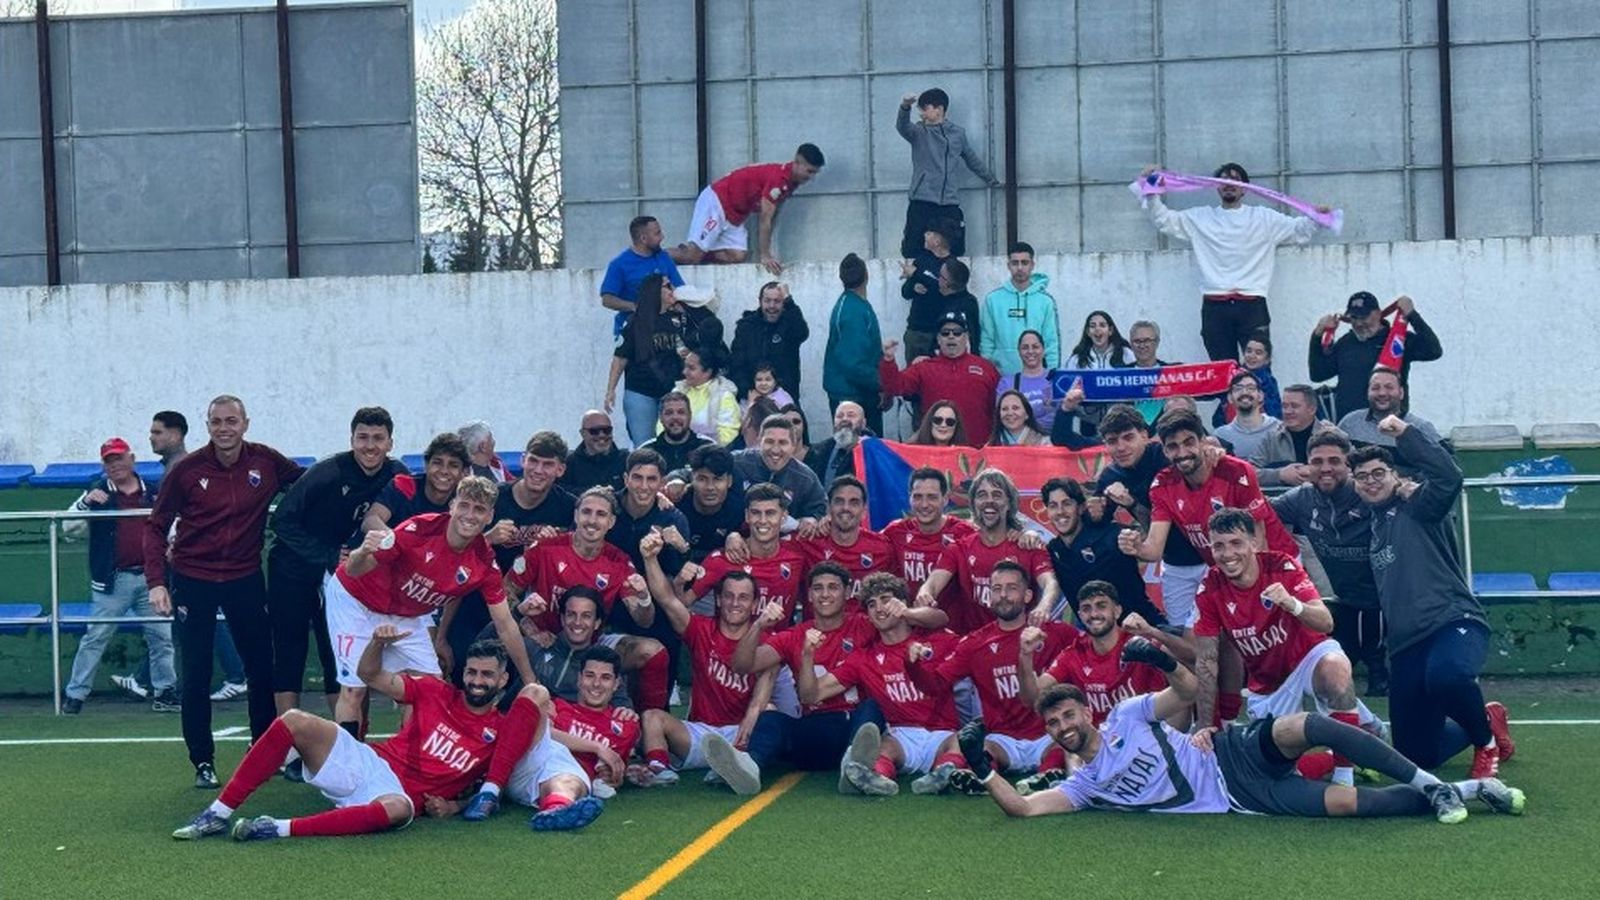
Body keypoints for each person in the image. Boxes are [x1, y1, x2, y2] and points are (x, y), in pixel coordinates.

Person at [170, 632, 571, 841]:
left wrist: (456, 805)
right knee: (293, 720)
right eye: (472, 672)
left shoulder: (502, 733)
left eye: (486, 675)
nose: (477, 680)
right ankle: (216, 814)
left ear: (502, 680)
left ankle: (276, 827)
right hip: (369, 763)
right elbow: (370, 676)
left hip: (395, 795)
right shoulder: (434, 690)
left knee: (397, 810)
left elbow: (488, 781)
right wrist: (377, 644)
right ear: (462, 672)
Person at [964, 679, 1521, 823]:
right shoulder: (1084, 785)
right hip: (1242, 797)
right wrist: (981, 768)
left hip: (1229, 751)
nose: (1063, 727)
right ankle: (1473, 788)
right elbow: (1024, 808)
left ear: (1086, 712)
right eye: (1053, 723)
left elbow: (1185, 690)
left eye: (1068, 715)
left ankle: (1430, 784)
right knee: (1352, 806)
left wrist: (1161, 660)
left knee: (1309, 726)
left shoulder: (1128, 715)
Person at [143, 395, 303, 788]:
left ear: (245, 423)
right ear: (208, 426)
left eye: (232, 421)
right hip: (192, 580)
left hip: (244, 578)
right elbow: (155, 526)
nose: (224, 428)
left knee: (261, 667)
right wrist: (157, 582)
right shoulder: (187, 470)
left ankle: (262, 751)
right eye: (217, 422)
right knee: (196, 673)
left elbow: (308, 487)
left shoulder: (266, 461)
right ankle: (203, 761)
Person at [1352, 417, 1515, 778]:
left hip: (1451, 621)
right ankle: (1486, 718)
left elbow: (1448, 477)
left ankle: (1485, 742)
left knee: (1448, 677)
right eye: (1362, 477)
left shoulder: (1419, 505)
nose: (1371, 481)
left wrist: (1406, 433)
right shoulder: (1372, 525)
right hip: (1405, 644)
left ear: (1396, 476)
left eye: (1379, 473)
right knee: (1417, 753)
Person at [326, 476, 537, 739]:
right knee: (354, 689)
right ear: (452, 505)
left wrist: (530, 681)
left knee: (431, 690)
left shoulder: (484, 562)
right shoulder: (419, 529)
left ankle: (407, 756)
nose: (470, 515)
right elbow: (355, 570)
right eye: (464, 505)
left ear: (490, 516)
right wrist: (361, 552)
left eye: (479, 509)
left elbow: (505, 624)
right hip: (356, 599)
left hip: (406, 613)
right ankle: (346, 761)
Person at [1194, 508, 1380, 786]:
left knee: (1334, 670)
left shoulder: (1281, 565)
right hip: (1268, 683)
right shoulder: (1210, 587)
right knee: (1271, 771)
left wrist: (1292, 604)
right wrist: (1205, 724)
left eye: (1236, 543)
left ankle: (1344, 778)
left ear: (1253, 543)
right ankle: (1362, 732)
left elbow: (1326, 622)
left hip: (1307, 656)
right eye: (1218, 545)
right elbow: (1206, 660)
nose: (1227, 553)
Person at [267, 407, 406, 725]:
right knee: (290, 651)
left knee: (341, 653)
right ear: (352, 439)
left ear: (390, 443)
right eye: (363, 437)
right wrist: (326, 554)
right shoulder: (327, 472)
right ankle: (289, 742)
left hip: (348, 575)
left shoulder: (397, 475)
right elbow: (282, 519)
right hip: (294, 569)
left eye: (378, 438)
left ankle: (350, 739)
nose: (370, 446)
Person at [1116, 409, 1298, 629]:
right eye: (1173, 446)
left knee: (1288, 635)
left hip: (1276, 561)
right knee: (1208, 637)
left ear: (1203, 441)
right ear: (1165, 451)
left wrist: (1256, 593)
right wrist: (1136, 547)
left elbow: (1259, 543)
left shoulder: (1235, 470)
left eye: (1189, 442)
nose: (1182, 452)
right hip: (1230, 567)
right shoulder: (1162, 485)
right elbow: (1154, 550)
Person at [907, 561, 1078, 794]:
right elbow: (935, 685)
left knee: (1063, 744)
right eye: (996, 589)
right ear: (989, 596)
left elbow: (1090, 654)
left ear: (1028, 595)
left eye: (1011, 588)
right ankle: (979, 779)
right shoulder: (974, 644)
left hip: (1047, 733)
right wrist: (913, 666)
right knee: (983, 751)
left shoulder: (1058, 634)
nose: (1003, 595)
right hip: (1002, 739)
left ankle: (1047, 774)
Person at [1138, 161, 1335, 361]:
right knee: (1222, 368)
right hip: (1215, 305)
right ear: (1216, 187)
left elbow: (1298, 230)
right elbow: (1164, 220)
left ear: (1245, 188)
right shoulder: (1201, 218)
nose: (1229, 184)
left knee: (1259, 366)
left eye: (1235, 180)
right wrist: (1151, 189)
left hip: (1252, 304)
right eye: (1223, 180)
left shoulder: (1264, 218)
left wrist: (1317, 217)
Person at [113, 412, 246, 704]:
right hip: (190, 553)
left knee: (200, 613)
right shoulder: (180, 467)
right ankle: (143, 679)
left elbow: (186, 513)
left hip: (188, 556)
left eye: (157, 432)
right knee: (178, 615)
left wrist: (174, 543)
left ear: (175, 435)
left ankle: (237, 676)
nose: (152, 437)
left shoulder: (181, 468)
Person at [498, 487, 668, 712]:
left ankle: (647, 722)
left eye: (601, 514)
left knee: (653, 651)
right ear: (576, 515)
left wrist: (645, 598)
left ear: (611, 522)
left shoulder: (618, 561)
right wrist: (529, 627)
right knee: (494, 632)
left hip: (591, 645)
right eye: (587, 512)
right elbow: (504, 592)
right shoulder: (546, 547)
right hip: (543, 639)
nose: (592, 520)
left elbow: (644, 620)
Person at [1012, 580, 1178, 794]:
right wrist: (1025, 655)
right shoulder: (1073, 654)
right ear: (1080, 615)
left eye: (1101, 606)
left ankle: (1170, 770)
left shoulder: (1138, 642)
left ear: (1117, 610)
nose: (1094, 614)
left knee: (1179, 703)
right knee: (1071, 734)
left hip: (1148, 736)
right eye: (1086, 609)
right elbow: (1032, 698)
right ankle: (1079, 788)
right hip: (1101, 744)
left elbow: (1191, 663)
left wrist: (1152, 632)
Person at [635, 550, 776, 795]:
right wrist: (650, 558)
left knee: (770, 713)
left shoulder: (768, 642)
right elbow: (667, 599)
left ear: (755, 604)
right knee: (651, 717)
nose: (735, 603)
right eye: (728, 596)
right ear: (718, 600)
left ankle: (738, 765)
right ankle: (659, 769)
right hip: (700, 733)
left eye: (743, 598)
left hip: (740, 732)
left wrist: (743, 738)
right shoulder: (701, 629)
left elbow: (759, 703)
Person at [732, 562, 888, 781]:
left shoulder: (865, 625)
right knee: (770, 719)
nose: (825, 594)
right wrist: (758, 625)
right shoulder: (794, 636)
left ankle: (855, 764)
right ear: (809, 595)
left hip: (852, 724)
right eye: (818, 588)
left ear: (847, 593)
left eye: (833, 587)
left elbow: (904, 629)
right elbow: (742, 666)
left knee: (873, 707)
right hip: (814, 728)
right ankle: (747, 768)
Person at [61, 437, 176, 714]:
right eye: (109, 461)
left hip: (152, 579)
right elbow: (67, 528)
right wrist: (86, 503)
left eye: (119, 458)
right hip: (113, 581)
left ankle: (165, 693)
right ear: (104, 466)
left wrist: (174, 544)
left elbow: (174, 525)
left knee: (162, 638)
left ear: (131, 459)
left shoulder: (155, 492)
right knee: (95, 638)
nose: (115, 465)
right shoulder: (96, 493)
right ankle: (75, 696)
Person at [1272, 430, 1387, 696]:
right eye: (1317, 461)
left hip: (1386, 596)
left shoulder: (1367, 491)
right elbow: (1258, 510)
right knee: (1338, 660)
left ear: (1348, 464)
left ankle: (1380, 670)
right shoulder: (1301, 498)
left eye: (1334, 461)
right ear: (1307, 464)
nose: (1325, 469)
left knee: (1371, 632)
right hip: (1343, 595)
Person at [1092, 405, 1209, 628]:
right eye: (1112, 441)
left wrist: (1215, 451)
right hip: (1175, 564)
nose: (1121, 447)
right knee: (1181, 633)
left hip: (1212, 558)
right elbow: (1096, 523)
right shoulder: (1110, 476)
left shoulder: (1167, 456)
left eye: (1128, 437)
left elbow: (1209, 457)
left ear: (1145, 435)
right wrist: (1094, 511)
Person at [915, 469, 1059, 634]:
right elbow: (933, 583)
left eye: (997, 495)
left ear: (1009, 503)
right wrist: (925, 593)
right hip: (975, 642)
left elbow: (1050, 583)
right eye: (982, 495)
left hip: (1020, 639)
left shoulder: (1027, 545)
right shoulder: (959, 548)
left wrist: (1044, 606)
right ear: (974, 503)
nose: (989, 501)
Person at [607, 274, 725, 447]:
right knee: (644, 444)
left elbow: (709, 305)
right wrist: (610, 390)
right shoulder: (635, 322)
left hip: (673, 388)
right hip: (641, 390)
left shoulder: (680, 318)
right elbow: (620, 358)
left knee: (676, 439)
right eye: (668, 286)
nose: (672, 290)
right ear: (655, 291)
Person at [671, 143, 826, 274]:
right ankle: (659, 256)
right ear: (797, 162)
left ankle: (696, 253)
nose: (811, 177)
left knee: (737, 255)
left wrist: (769, 251)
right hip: (718, 201)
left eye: (815, 173)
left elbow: (774, 215)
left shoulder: (791, 182)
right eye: (809, 171)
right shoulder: (778, 179)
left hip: (736, 214)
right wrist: (765, 255)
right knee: (691, 257)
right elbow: (765, 219)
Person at [1040, 478, 1165, 628]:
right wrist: (1027, 535)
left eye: (1067, 504)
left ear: (1081, 508)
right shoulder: (1053, 550)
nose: (1060, 511)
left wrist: (1131, 504)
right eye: (1053, 506)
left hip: (1145, 628)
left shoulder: (1112, 534)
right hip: (1099, 636)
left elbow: (1158, 538)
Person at [896, 88, 998, 257]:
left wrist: (990, 179)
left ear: (939, 109)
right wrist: (905, 106)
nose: (921, 113)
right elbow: (902, 127)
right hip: (922, 200)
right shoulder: (919, 132)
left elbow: (970, 158)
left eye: (925, 108)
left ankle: (950, 273)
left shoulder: (957, 134)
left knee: (954, 248)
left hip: (949, 201)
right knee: (912, 248)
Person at [1311, 292, 1443, 420]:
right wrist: (1317, 335)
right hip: (1349, 424)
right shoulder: (1346, 342)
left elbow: (1433, 351)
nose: (1359, 323)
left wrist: (1412, 315)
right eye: (1354, 318)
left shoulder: (1398, 339)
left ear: (1378, 314)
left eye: (1364, 317)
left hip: (1389, 423)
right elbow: (1318, 374)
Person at [880, 310, 1001, 441]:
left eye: (957, 332)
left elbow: (999, 407)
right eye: (945, 333)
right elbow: (896, 386)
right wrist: (888, 361)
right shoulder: (924, 368)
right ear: (938, 338)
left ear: (966, 337)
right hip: (937, 448)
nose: (951, 336)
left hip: (978, 447)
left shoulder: (986, 368)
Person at [790, 476, 898, 609]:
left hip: (865, 622)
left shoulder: (882, 548)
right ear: (828, 508)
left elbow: (894, 595)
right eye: (839, 501)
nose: (846, 508)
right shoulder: (807, 542)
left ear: (864, 511)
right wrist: (803, 523)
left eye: (854, 502)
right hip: (818, 623)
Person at [550, 645, 642, 797]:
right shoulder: (557, 707)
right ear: (579, 679)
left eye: (605, 677)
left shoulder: (625, 723)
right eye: (590, 675)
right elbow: (543, 735)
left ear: (616, 684)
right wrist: (597, 748)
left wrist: (617, 775)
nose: (596, 684)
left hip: (574, 784)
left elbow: (609, 773)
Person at [881, 467, 977, 601]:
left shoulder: (965, 533)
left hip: (952, 615)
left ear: (945, 499)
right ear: (910, 498)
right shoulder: (895, 532)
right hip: (906, 613)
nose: (924, 504)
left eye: (932, 497)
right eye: (917, 497)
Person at [723, 415, 828, 524]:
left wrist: (812, 519)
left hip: (783, 534)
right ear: (759, 441)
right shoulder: (736, 463)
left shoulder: (806, 479)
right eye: (769, 441)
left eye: (782, 443)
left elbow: (821, 510)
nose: (775, 450)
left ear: (794, 446)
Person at [823, 253, 885, 436]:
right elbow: (854, 363)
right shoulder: (853, 311)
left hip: (855, 391)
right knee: (861, 449)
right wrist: (881, 384)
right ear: (867, 275)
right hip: (854, 395)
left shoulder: (852, 305)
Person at [362, 433, 468, 533]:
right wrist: (395, 540)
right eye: (437, 463)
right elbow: (370, 520)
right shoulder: (404, 486)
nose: (444, 471)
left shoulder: (465, 499)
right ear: (426, 465)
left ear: (464, 472)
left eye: (453, 465)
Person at [979, 242, 1059, 375]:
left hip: (1037, 377)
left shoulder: (1046, 302)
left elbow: (1051, 342)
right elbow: (987, 341)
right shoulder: (992, 300)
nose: (1020, 268)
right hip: (1001, 376)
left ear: (1032, 265)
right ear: (1008, 265)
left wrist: (1052, 373)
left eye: (1024, 263)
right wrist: (987, 372)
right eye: (1015, 263)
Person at [600, 214, 684, 339]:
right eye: (657, 233)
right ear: (643, 239)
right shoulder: (619, 264)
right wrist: (635, 307)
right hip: (632, 329)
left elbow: (680, 289)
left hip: (665, 327)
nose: (662, 237)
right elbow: (607, 299)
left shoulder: (664, 258)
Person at [1337, 368, 1445, 462]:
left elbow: (1445, 466)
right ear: (1367, 393)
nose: (1382, 393)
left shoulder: (1421, 428)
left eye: (1389, 387)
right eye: (1375, 388)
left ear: (1401, 393)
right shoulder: (1350, 423)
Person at [729, 281, 810, 399]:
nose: (772, 306)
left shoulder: (790, 325)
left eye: (777, 301)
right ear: (760, 301)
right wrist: (747, 391)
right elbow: (736, 364)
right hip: (752, 397)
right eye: (767, 301)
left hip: (785, 397)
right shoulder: (746, 327)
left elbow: (802, 333)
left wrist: (789, 300)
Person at [899, 219, 958, 361]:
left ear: (937, 241)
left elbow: (943, 288)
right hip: (916, 330)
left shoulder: (952, 265)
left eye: (929, 233)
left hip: (939, 332)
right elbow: (905, 292)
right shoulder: (921, 261)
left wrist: (916, 274)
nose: (924, 235)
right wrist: (913, 287)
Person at [678, 444, 746, 564]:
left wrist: (738, 535)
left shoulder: (740, 508)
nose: (710, 487)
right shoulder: (677, 503)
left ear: (729, 481)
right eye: (702, 479)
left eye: (717, 479)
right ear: (692, 478)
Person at [1253, 384, 1325, 488]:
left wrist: (1315, 471)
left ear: (1312, 409)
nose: (1288, 411)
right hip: (1281, 496)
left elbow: (1348, 469)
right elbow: (1247, 473)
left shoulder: (1331, 436)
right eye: (1284, 406)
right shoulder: (1271, 438)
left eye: (1294, 406)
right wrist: (1279, 475)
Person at [1214, 371, 1289, 461]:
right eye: (1238, 389)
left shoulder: (1279, 429)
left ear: (1260, 396)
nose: (1244, 392)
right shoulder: (1221, 436)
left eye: (1251, 388)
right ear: (1230, 398)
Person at [1000, 330, 1066, 433]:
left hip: (1052, 439)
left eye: (1035, 347)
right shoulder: (1007, 383)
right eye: (1025, 347)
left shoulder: (1057, 380)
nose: (1030, 351)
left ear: (1043, 350)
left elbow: (1061, 415)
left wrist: (1027, 426)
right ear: (1019, 351)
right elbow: (1005, 417)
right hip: (1019, 441)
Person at [672, 349, 740, 445]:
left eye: (691, 368)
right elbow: (662, 424)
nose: (684, 372)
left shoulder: (723, 396)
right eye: (685, 366)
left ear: (708, 372)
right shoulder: (678, 390)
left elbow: (728, 435)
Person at [640, 391, 713, 475]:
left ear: (690, 415)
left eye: (681, 412)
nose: (675, 417)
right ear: (660, 417)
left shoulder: (707, 447)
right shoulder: (647, 450)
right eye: (669, 413)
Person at [805, 401, 871, 487]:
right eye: (839, 416)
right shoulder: (819, 451)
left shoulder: (875, 452)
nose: (844, 419)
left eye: (851, 415)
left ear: (863, 423)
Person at [560, 411, 628, 493]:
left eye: (607, 430)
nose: (601, 435)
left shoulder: (626, 460)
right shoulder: (569, 463)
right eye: (594, 431)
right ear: (582, 433)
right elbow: (559, 491)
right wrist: (592, 493)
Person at [1126, 320, 1174, 425]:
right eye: (1137, 341)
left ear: (1157, 342)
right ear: (1131, 344)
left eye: (1147, 340)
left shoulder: (1173, 372)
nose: (1142, 345)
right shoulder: (1120, 374)